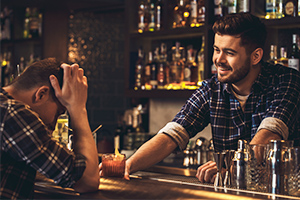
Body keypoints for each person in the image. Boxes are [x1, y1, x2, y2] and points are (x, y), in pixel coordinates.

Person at [122, 12, 300, 183]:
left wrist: (232, 167)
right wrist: (128, 165)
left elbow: (270, 134)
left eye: (229, 53)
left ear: (255, 56)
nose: (218, 60)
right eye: (216, 50)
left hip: (283, 192)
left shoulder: (285, 80)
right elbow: (172, 134)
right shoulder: (211, 89)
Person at [0, 58, 99, 199]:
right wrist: (78, 108)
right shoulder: (13, 113)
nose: (54, 124)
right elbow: (87, 181)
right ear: (41, 94)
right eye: (59, 113)